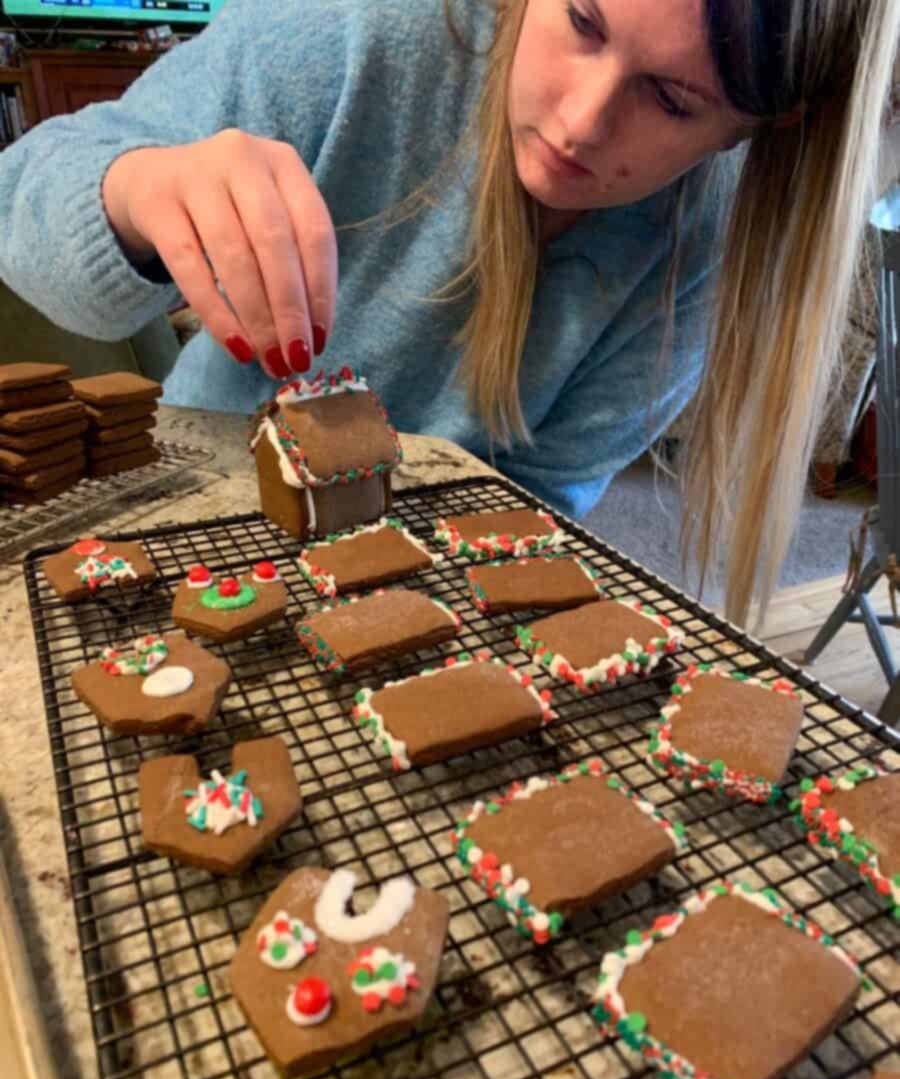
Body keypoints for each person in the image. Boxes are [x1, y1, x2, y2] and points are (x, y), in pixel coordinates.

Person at [0, 0, 897, 622]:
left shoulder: (715, 247)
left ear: (759, 129)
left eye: (671, 100)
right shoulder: (346, 33)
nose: (582, 123)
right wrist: (134, 191)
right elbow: (24, 199)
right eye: (582, 21)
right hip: (201, 520)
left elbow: (540, 497)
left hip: (435, 580)